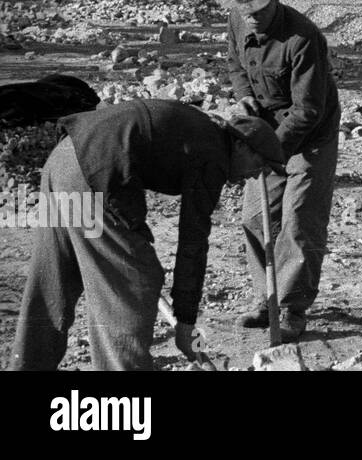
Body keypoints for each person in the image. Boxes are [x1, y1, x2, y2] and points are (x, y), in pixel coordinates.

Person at [8, 101, 284, 371]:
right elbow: (193, 241)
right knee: (135, 278)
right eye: (259, 165)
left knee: (55, 277)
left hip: (65, 159)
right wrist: (186, 324)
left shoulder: (204, 131)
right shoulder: (214, 156)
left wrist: (188, 328)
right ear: (239, 144)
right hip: (92, 173)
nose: (255, 176)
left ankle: (27, 365)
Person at [226, 0, 341, 342]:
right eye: (246, 11)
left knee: (299, 219)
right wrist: (244, 96)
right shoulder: (238, 21)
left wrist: (271, 151)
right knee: (255, 217)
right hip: (268, 131)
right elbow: (235, 65)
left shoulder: (302, 36)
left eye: (260, 10)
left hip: (310, 136)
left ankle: (292, 307)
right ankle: (268, 298)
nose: (253, 19)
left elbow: (308, 110)